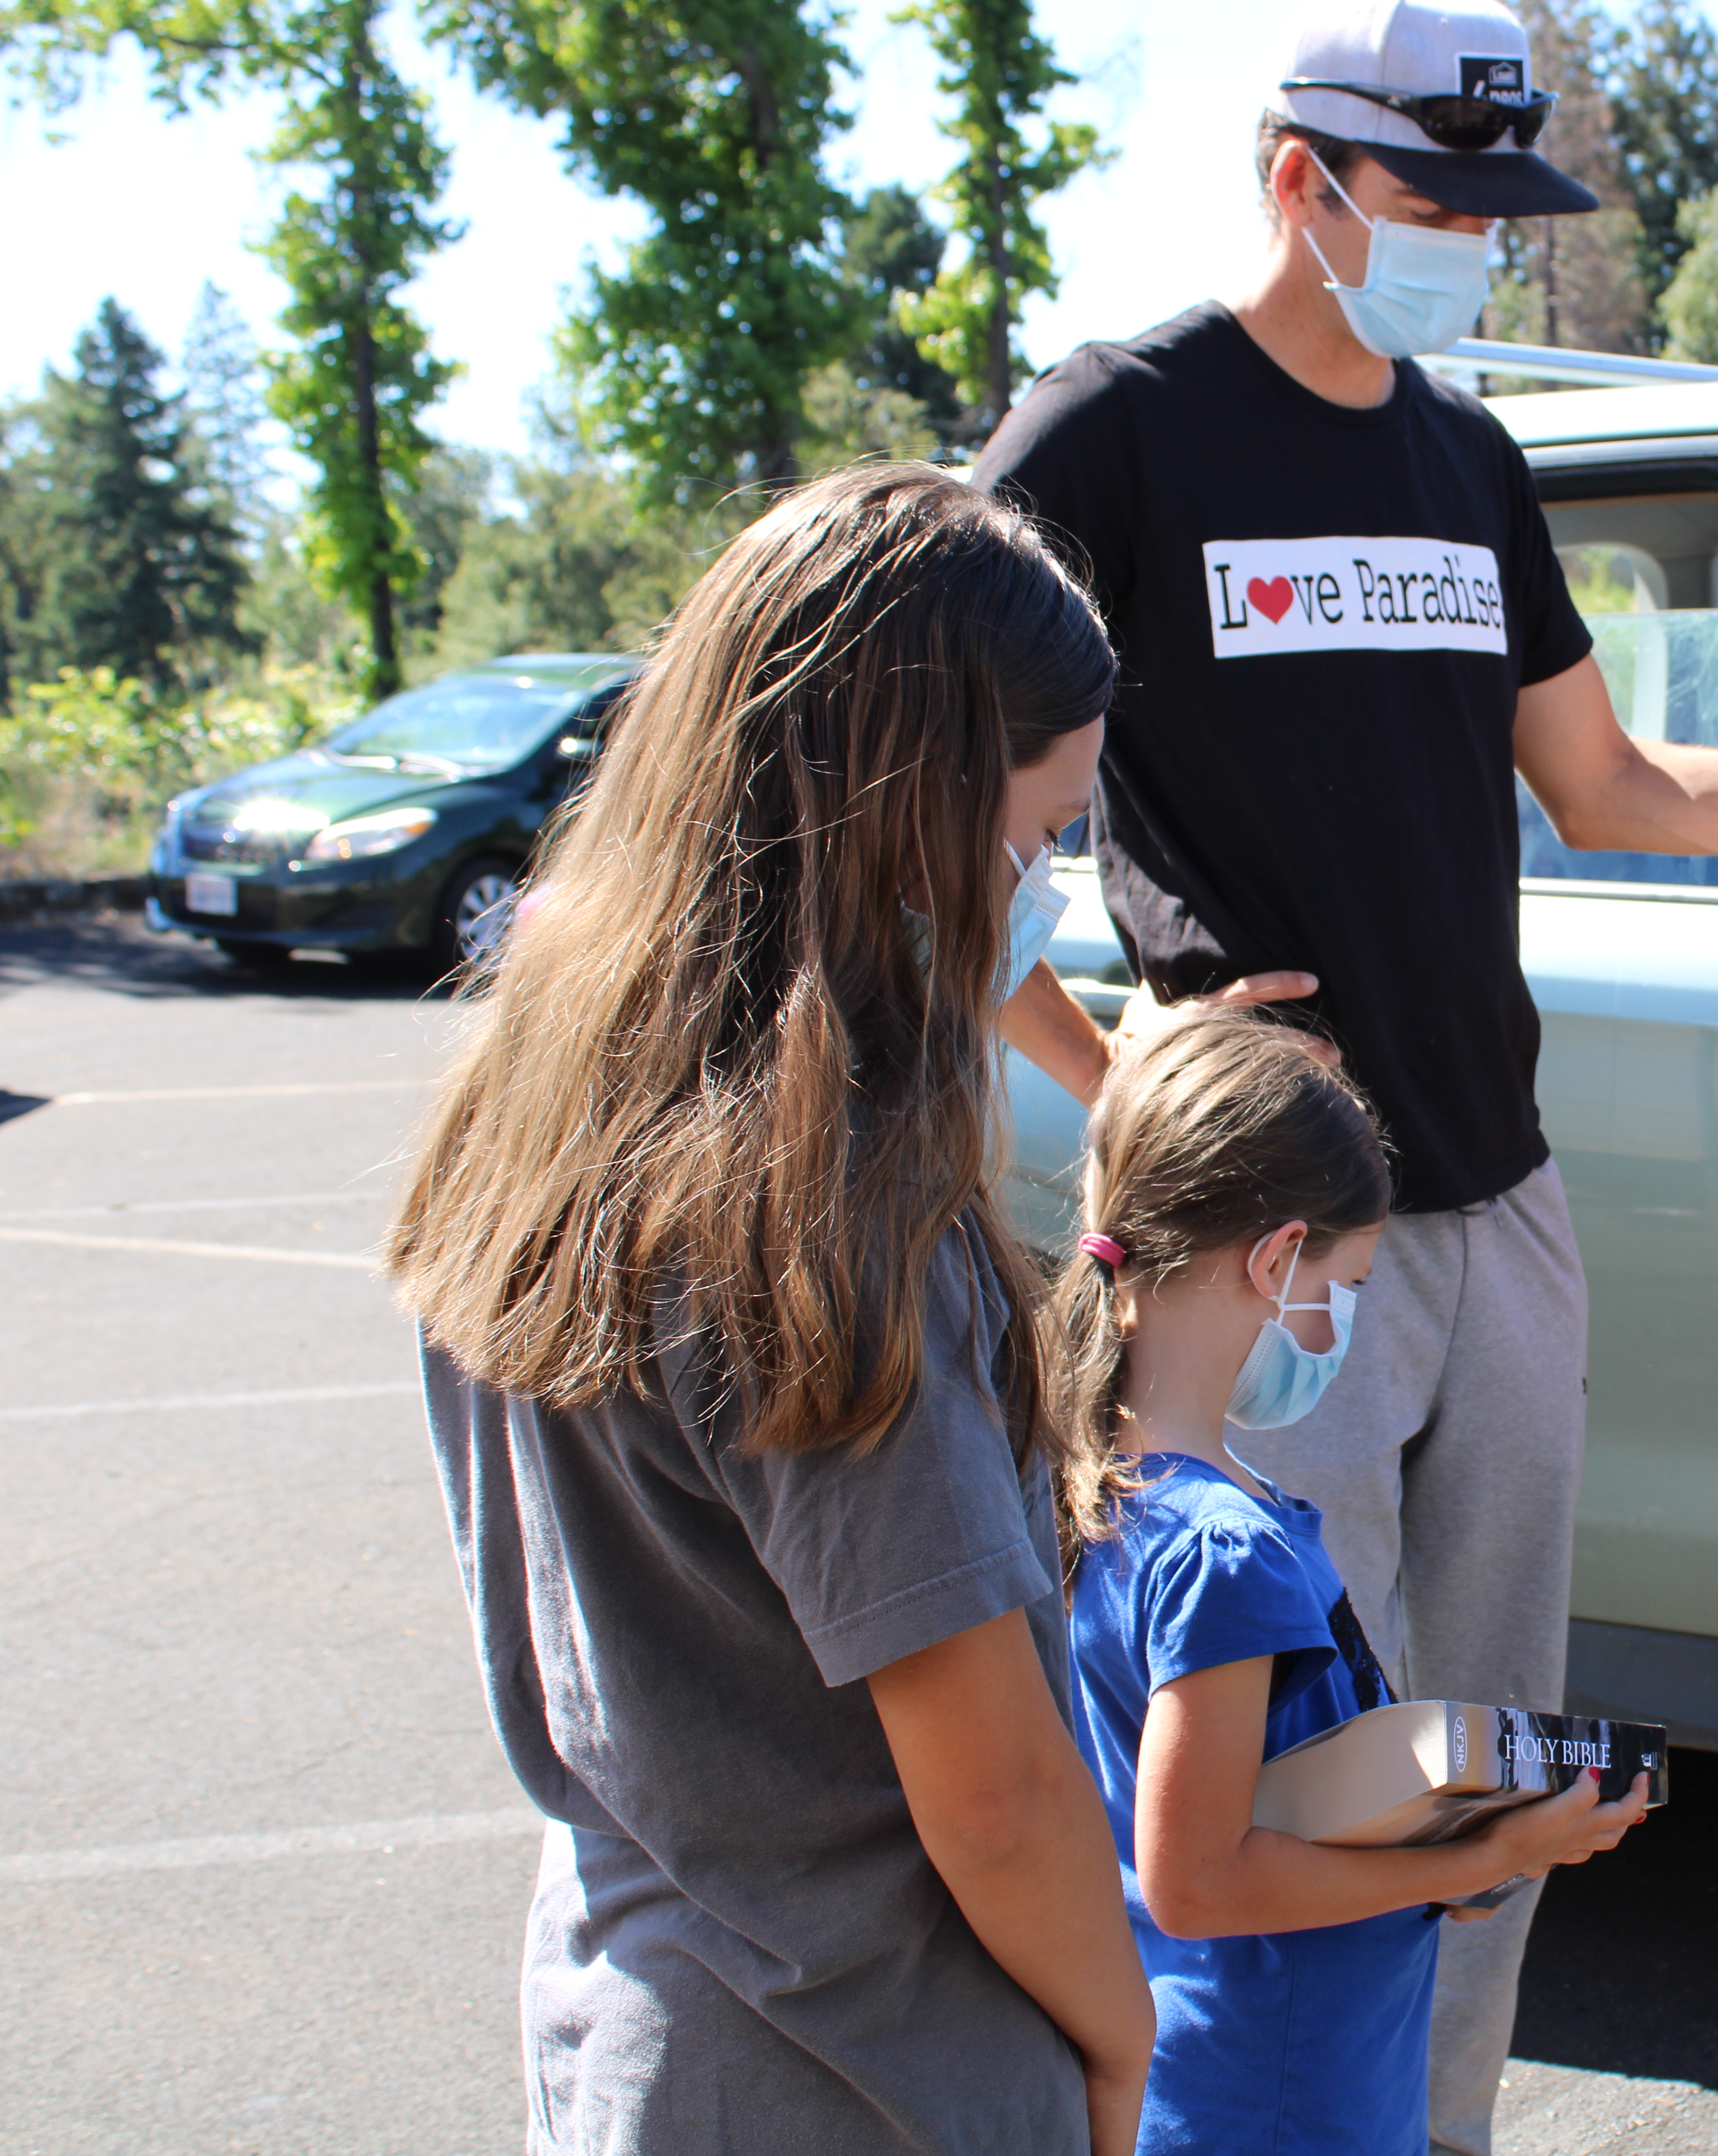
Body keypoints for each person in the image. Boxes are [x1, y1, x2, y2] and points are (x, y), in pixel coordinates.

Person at [970, 5, 1718, 2143]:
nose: (1480, 247)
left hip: (1496, 1207)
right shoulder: (1115, 430)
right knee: (1278, 1775)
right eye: (1442, 206)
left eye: (1497, 210)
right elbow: (917, 780)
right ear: (1304, 183)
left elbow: (1618, 784)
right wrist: (1113, 1070)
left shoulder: (1464, 459)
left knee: (1479, 1754)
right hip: (1262, 1251)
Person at [390, 466, 1156, 2154]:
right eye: (1035, 838)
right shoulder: (834, 1216)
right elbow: (999, 1796)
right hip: (873, 2077)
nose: (1043, 892)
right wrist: (1120, 2051)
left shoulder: (534, 1107)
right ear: (906, 808)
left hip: (630, 2026)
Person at [1046, 1009, 1648, 2155]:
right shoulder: (1226, 1552)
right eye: (1350, 1282)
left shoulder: (1091, 1478)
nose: (1345, 1322)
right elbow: (1199, 1877)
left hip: (1194, 2074)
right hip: (1274, 2096)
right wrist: (1476, 1858)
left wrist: (1423, 1854)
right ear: (1275, 1259)